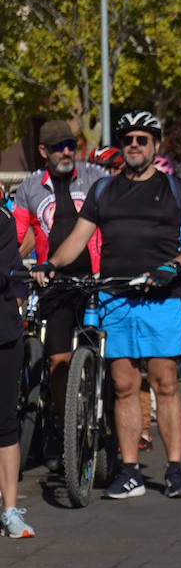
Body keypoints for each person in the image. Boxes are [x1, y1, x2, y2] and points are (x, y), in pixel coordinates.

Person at [45, 110, 181, 499]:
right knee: (123, 385)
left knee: (165, 383)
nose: (134, 145)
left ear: (155, 145)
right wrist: (49, 264)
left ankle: (174, 471)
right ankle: (130, 470)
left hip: (161, 298)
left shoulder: (175, 189)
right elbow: (77, 241)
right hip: (115, 298)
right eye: (128, 139)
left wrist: (174, 265)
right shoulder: (104, 190)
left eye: (143, 139)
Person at [11, 119, 109, 458]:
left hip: (98, 278)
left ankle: (106, 422)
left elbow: (114, 219)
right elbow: (20, 237)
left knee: (110, 357)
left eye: (70, 144)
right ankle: (65, 428)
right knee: (58, 361)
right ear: (43, 152)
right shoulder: (29, 187)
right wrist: (11, 262)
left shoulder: (96, 177)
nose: (66, 151)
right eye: (57, 147)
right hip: (54, 281)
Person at [1, 205, 35, 537]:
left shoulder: (2, 220)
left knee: (5, 422)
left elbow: (4, 272)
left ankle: (10, 510)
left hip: (2, 334)